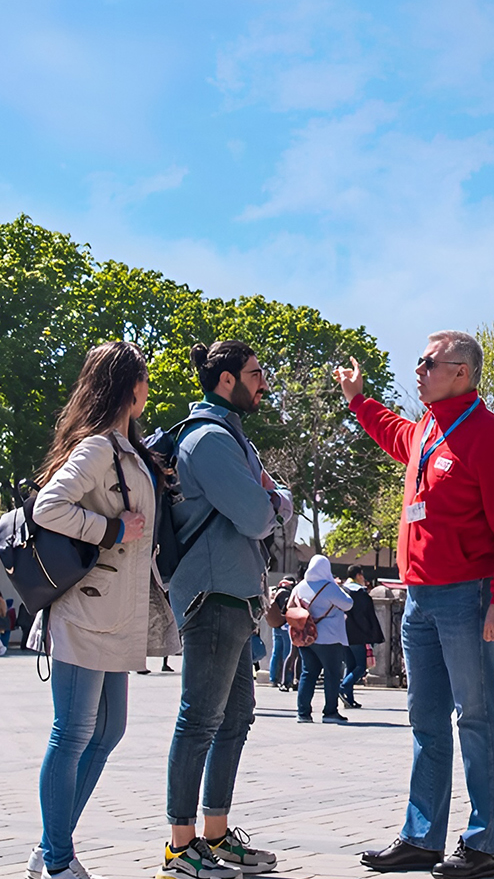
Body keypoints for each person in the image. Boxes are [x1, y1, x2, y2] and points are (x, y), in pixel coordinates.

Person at [337, 331, 494, 879]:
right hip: (419, 599)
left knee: (476, 718)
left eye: (428, 362)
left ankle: (479, 844)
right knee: (425, 720)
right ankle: (422, 838)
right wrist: (359, 399)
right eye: (419, 361)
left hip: (466, 598)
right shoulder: (428, 426)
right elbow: (394, 433)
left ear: (461, 373)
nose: (418, 370)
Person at [25, 341, 166, 879]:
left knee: (108, 733)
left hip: (114, 611)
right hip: (86, 610)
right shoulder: (98, 448)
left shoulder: (125, 448)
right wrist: (110, 529)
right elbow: (49, 506)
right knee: (73, 732)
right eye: (146, 381)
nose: (149, 391)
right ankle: (59, 860)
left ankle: (48, 846)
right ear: (130, 388)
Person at [163, 340, 291, 879]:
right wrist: (273, 500)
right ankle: (179, 847)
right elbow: (258, 515)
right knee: (200, 719)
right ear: (226, 380)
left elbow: (269, 503)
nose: (264, 383)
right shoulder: (210, 440)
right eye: (256, 374)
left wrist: (272, 498)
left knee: (235, 716)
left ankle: (213, 836)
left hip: (235, 595)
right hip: (212, 595)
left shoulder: (230, 436)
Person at [291, 554, 353, 724]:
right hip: (329, 637)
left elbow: (290, 607)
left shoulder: (300, 586)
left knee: (308, 673)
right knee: (332, 673)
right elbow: (348, 604)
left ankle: (303, 713)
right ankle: (330, 712)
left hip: (305, 636)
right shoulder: (329, 587)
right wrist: (337, 586)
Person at [340, 565, 385, 709]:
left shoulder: (341, 591)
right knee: (360, 666)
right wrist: (371, 633)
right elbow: (367, 616)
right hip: (357, 634)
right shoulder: (360, 594)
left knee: (350, 665)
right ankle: (343, 687)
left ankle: (349, 699)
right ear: (358, 575)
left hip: (342, 632)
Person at [268, 570, 300, 692]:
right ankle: (288, 678)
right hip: (285, 625)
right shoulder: (287, 593)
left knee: (276, 652)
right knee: (288, 653)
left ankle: (273, 677)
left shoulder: (275, 592)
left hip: (276, 625)